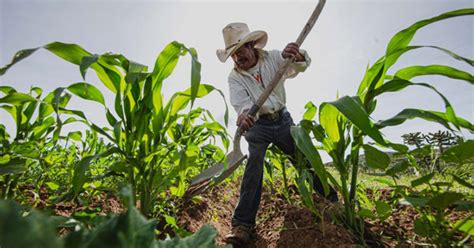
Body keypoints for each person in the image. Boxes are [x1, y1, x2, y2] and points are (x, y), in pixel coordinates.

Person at [216, 22, 338, 246]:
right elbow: (241, 104)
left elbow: (300, 65)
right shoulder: (235, 77)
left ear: (252, 45)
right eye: (233, 54)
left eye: (240, 50)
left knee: (302, 160)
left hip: (282, 120)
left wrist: (297, 54)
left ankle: (333, 200)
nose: (237, 57)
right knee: (253, 168)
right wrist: (244, 115)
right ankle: (242, 226)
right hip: (257, 127)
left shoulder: (273, 58)